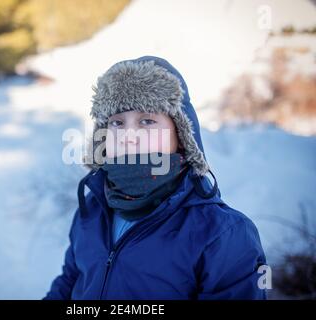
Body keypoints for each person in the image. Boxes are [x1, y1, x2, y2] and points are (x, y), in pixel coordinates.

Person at [43, 56, 267, 300]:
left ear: (181, 136)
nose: (128, 136)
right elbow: (69, 283)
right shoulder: (93, 211)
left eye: (147, 120)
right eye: (117, 122)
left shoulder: (223, 234)